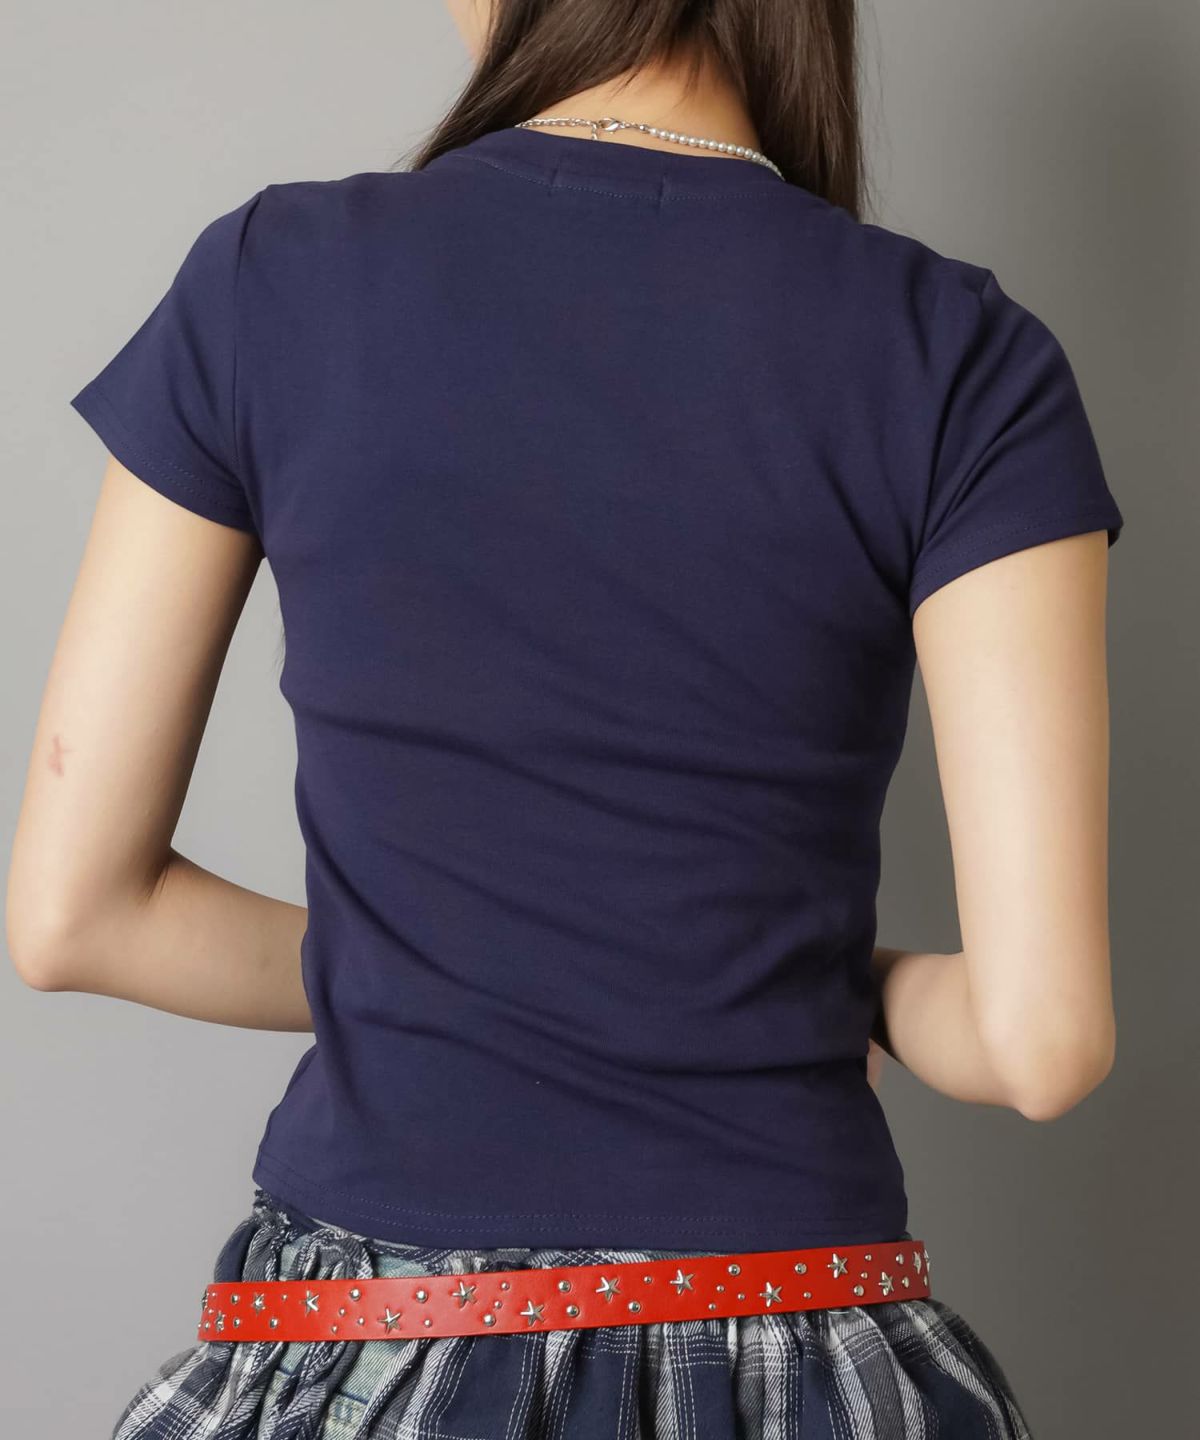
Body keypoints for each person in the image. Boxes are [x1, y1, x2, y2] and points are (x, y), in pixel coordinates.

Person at [7, 0, 1123, 1435]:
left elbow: (75, 916)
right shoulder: (963, 354)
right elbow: (1040, 1041)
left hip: (369, 1343)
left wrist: (456, 969)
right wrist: (802, 980)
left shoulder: (270, 278)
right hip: (793, 1328)